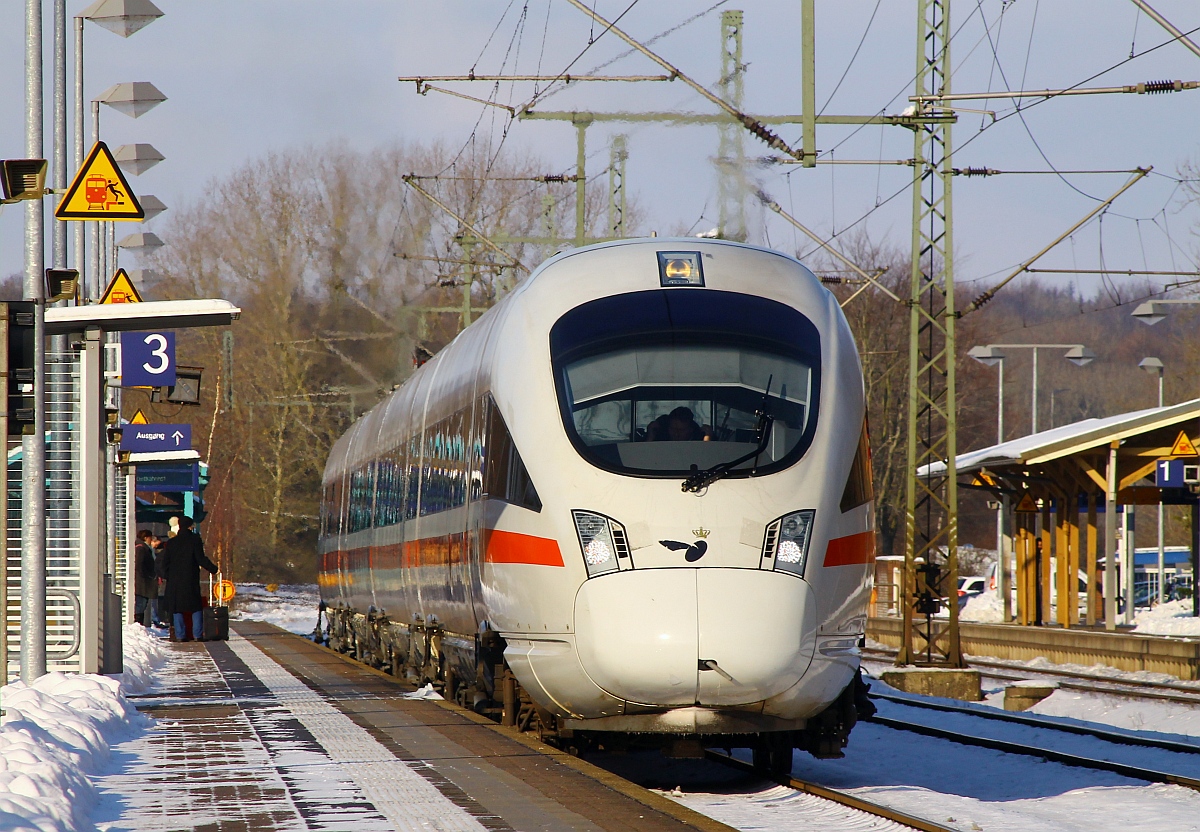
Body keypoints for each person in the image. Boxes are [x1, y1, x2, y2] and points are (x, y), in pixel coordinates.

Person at [160, 516, 218, 642]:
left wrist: (167, 575)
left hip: (175, 579)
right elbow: (200, 558)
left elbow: (165, 563)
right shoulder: (194, 540)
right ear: (190, 526)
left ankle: (180, 635)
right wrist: (214, 569)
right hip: (190, 577)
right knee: (195, 606)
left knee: (176, 607)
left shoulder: (171, 543)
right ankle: (197, 634)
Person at [133, 530, 158, 627]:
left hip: (143, 581)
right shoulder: (141, 549)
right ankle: (138, 623)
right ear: (146, 537)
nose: (151, 539)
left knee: (143, 603)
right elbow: (139, 565)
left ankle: (139, 624)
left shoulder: (143, 548)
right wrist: (149, 575)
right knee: (141, 604)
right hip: (142, 582)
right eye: (150, 537)